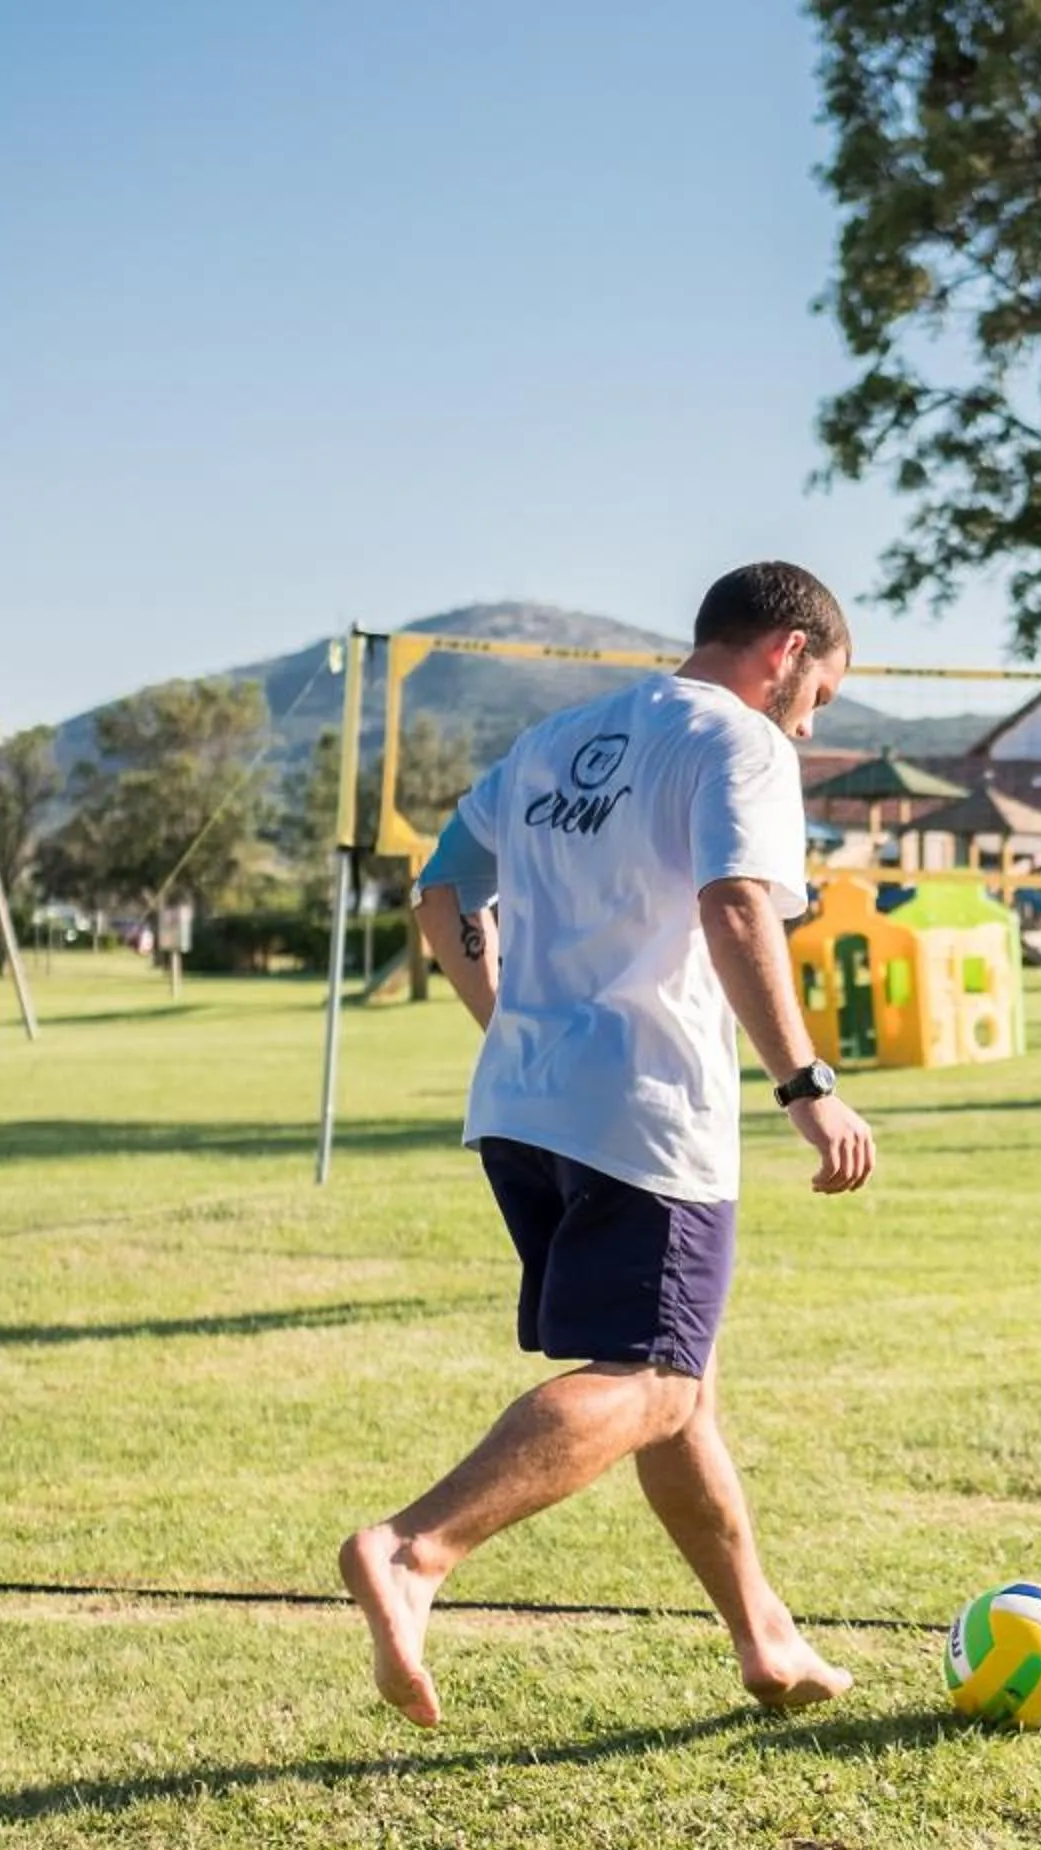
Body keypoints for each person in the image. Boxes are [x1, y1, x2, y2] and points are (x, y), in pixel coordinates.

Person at [340, 561, 877, 1728]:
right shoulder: (743, 742)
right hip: (644, 1108)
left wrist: (514, 1025)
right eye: (820, 691)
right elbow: (737, 906)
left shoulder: (556, 736)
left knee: (681, 1388)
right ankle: (413, 1548)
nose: (811, 717)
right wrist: (808, 1086)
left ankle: (765, 1638)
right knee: (655, 1375)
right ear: (786, 651)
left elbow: (440, 895)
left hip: (526, 1105)